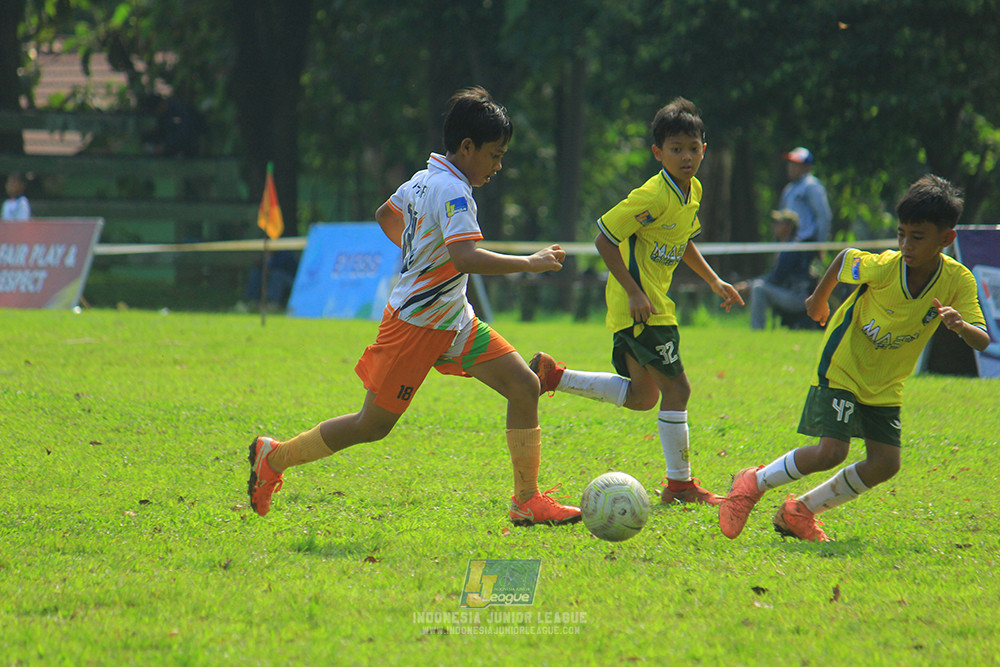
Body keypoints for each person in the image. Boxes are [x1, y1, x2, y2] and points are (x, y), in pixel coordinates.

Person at [246, 87, 581, 527]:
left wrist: (420, 253)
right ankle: (274, 457)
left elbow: (387, 215)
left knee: (524, 386)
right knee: (371, 426)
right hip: (416, 326)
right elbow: (464, 258)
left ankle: (526, 500)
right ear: (467, 148)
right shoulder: (456, 193)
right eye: (495, 155)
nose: (499, 166)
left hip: (453, 319)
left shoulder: (422, 179)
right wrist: (529, 264)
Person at [718, 174, 989, 542]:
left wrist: (960, 327)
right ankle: (754, 481)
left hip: (886, 380)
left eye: (917, 236)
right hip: (844, 362)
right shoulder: (885, 267)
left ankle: (800, 511)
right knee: (832, 451)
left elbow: (982, 339)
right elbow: (845, 259)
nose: (906, 244)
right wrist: (817, 300)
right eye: (901, 234)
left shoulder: (958, 281)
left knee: (885, 464)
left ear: (947, 239)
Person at [530, 97, 744, 507]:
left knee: (644, 398)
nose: (686, 157)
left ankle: (554, 376)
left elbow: (682, 243)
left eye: (693, 148)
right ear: (658, 152)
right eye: (676, 149)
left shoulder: (691, 190)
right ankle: (679, 485)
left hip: (648, 305)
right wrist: (633, 291)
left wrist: (715, 281)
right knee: (678, 390)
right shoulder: (651, 195)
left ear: (704, 149)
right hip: (643, 308)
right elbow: (604, 239)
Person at [736, 209, 815, 330]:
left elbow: (776, 278)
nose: (774, 225)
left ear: (789, 227)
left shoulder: (792, 248)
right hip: (786, 293)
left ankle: (757, 330)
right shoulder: (782, 246)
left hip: (796, 297)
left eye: (779, 222)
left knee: (758, 289)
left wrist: (749, 285)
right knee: (757, 287)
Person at [779, 147, 832, 246]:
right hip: (790, 244)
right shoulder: (789, 189)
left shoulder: (811, 185)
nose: (791, 167)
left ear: (807, 167)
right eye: (790, 163)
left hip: (806, 244)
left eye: (796, 164)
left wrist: (821, 244)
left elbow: (823, 216)